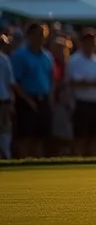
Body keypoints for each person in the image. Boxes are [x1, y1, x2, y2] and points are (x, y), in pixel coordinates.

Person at [11, 23, 55, 158]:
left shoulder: (47, 56)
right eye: (36, 35)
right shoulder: (20, 56)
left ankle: (37, 165)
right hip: (26, 100)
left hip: (43, 99)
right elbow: (15, 83)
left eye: (42, 35)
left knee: (40, 137)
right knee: (25, 137)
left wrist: (50, 101)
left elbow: (50, 79)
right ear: (29, 36)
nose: (39, 38)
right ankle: (23, 164)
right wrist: (28, 100)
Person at [66, 30, 96, 157]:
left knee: (95, 137)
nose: (90, 44)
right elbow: (74, 83)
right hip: (81, 103)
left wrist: (87, 82)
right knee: (80, 137)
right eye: (88, 42)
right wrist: (94, 83)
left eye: (92, 42)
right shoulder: (75, 60)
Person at [0, 33, 15, 159]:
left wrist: (10, 103)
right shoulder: (4, 59)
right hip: (4, 101)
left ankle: (6, 157)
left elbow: (10, 83)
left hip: (3, 102)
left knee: (4, 132)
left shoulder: (4, 59)